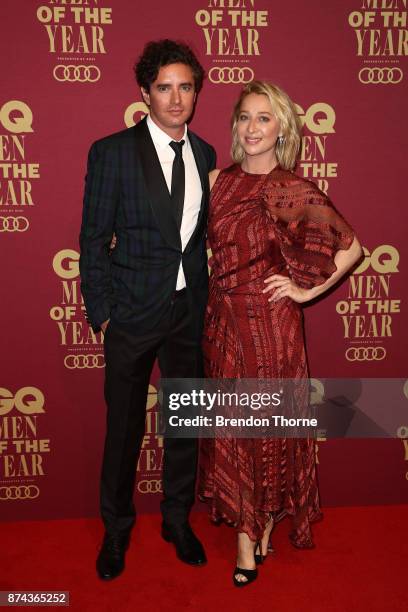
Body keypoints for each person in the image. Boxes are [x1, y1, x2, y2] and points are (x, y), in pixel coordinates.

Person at [198, 81, 362, 586]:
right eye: (245, 117)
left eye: (264, 118)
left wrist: (306, 291)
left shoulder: (287, 187)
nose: (252, 128)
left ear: (282, 129)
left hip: (271, 327)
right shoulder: (215, 182)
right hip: (223, 324)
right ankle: (257, 520)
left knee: (264, 430)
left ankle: (251, 535)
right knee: (233, 429)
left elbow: (351, 249)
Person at [79, 39, 216, 580]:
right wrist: (103, 312)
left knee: (185, 423)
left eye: (185, 87)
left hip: (189, 310)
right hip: (131, 314)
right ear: (144, 93)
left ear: (196, 92)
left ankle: (177, 519)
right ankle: (116, 530)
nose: (176, 98)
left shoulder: (205, 154)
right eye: (165, 87)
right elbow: (93, 239)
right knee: (125, 429)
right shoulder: (111, 152)